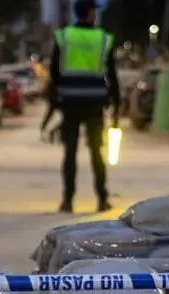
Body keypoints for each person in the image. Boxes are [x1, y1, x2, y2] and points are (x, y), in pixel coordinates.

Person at [49, 0, 121, 213]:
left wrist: (54, 103)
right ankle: (102, 199)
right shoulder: (103, 39)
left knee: (70, 153)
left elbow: (54, 72)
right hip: (95, 102)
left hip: (70, 103)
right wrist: (116, 103)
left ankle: (67, 200)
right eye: (94, 11)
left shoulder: (63, 37)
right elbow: (112, 74)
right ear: (89, 13)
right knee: (96, 153)